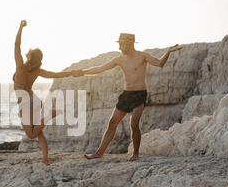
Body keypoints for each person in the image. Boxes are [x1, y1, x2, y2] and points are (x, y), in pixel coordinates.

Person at [80, 33, 182, 161]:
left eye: (121, 44)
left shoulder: (142, 56)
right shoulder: (119, 59)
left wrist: (168, 52)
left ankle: (136, 154)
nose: (119, 48)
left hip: (139, 95)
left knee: (134, 124)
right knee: (112, 123)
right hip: (126, 95)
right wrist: (82, 72)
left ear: (129, 43)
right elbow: (100, 68)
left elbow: (160, 63)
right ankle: (99, 153)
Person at [13, 20, 81, 164]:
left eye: (28, 54)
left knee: (31, 134)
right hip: (34, 100)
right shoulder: (37, 71)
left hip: (26, 102)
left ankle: (50, 114)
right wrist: (72, 73)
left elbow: (16, 45)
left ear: (28, 56)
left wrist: (20, 28)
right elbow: (55, 75)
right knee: (38, 132)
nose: (25, 54)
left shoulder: (20, 66)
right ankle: (45, 158)